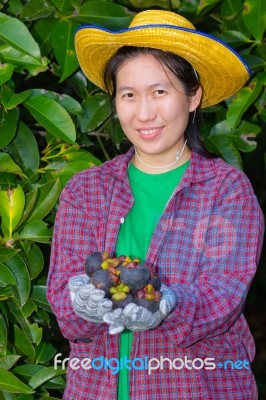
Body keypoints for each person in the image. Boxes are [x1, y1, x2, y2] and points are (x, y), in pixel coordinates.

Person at [46, 9, 264, 400]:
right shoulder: (85, 190)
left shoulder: (226, 190)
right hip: (95, 388)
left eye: (159, 92)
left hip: (197, 386)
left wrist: (169, 303)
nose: (144, 113)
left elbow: (225, 293)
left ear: (193, 95)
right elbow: (66, 305)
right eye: (128, 95)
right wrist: (80, 302)